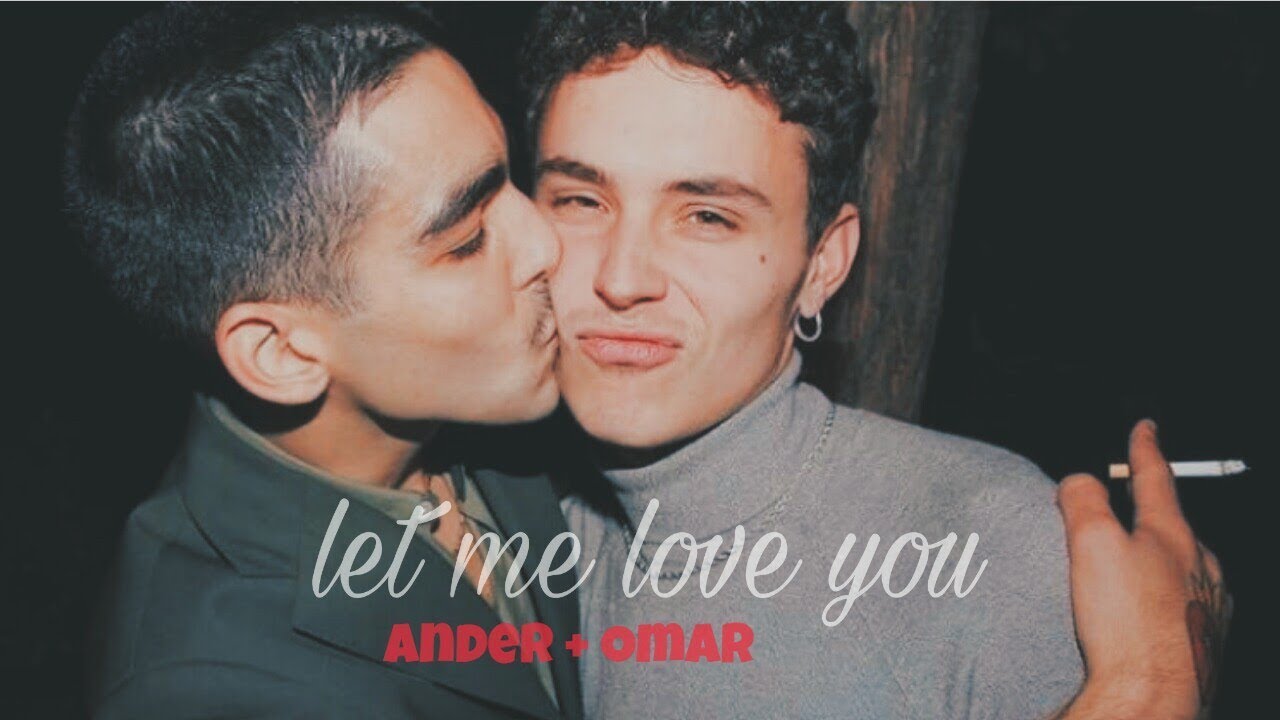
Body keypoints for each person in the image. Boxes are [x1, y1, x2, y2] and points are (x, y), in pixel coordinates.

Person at [520, 3, 1228, 718]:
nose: (622, 277)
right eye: (581, 201)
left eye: (708, 217)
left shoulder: (995, 556)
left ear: (822, 264)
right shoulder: (514, 530)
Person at [67, 6, 580, 719]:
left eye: (511, 176)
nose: (548, 244)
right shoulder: (217, 686)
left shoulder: (490, 415)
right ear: (280, 353)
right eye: (467, 240)